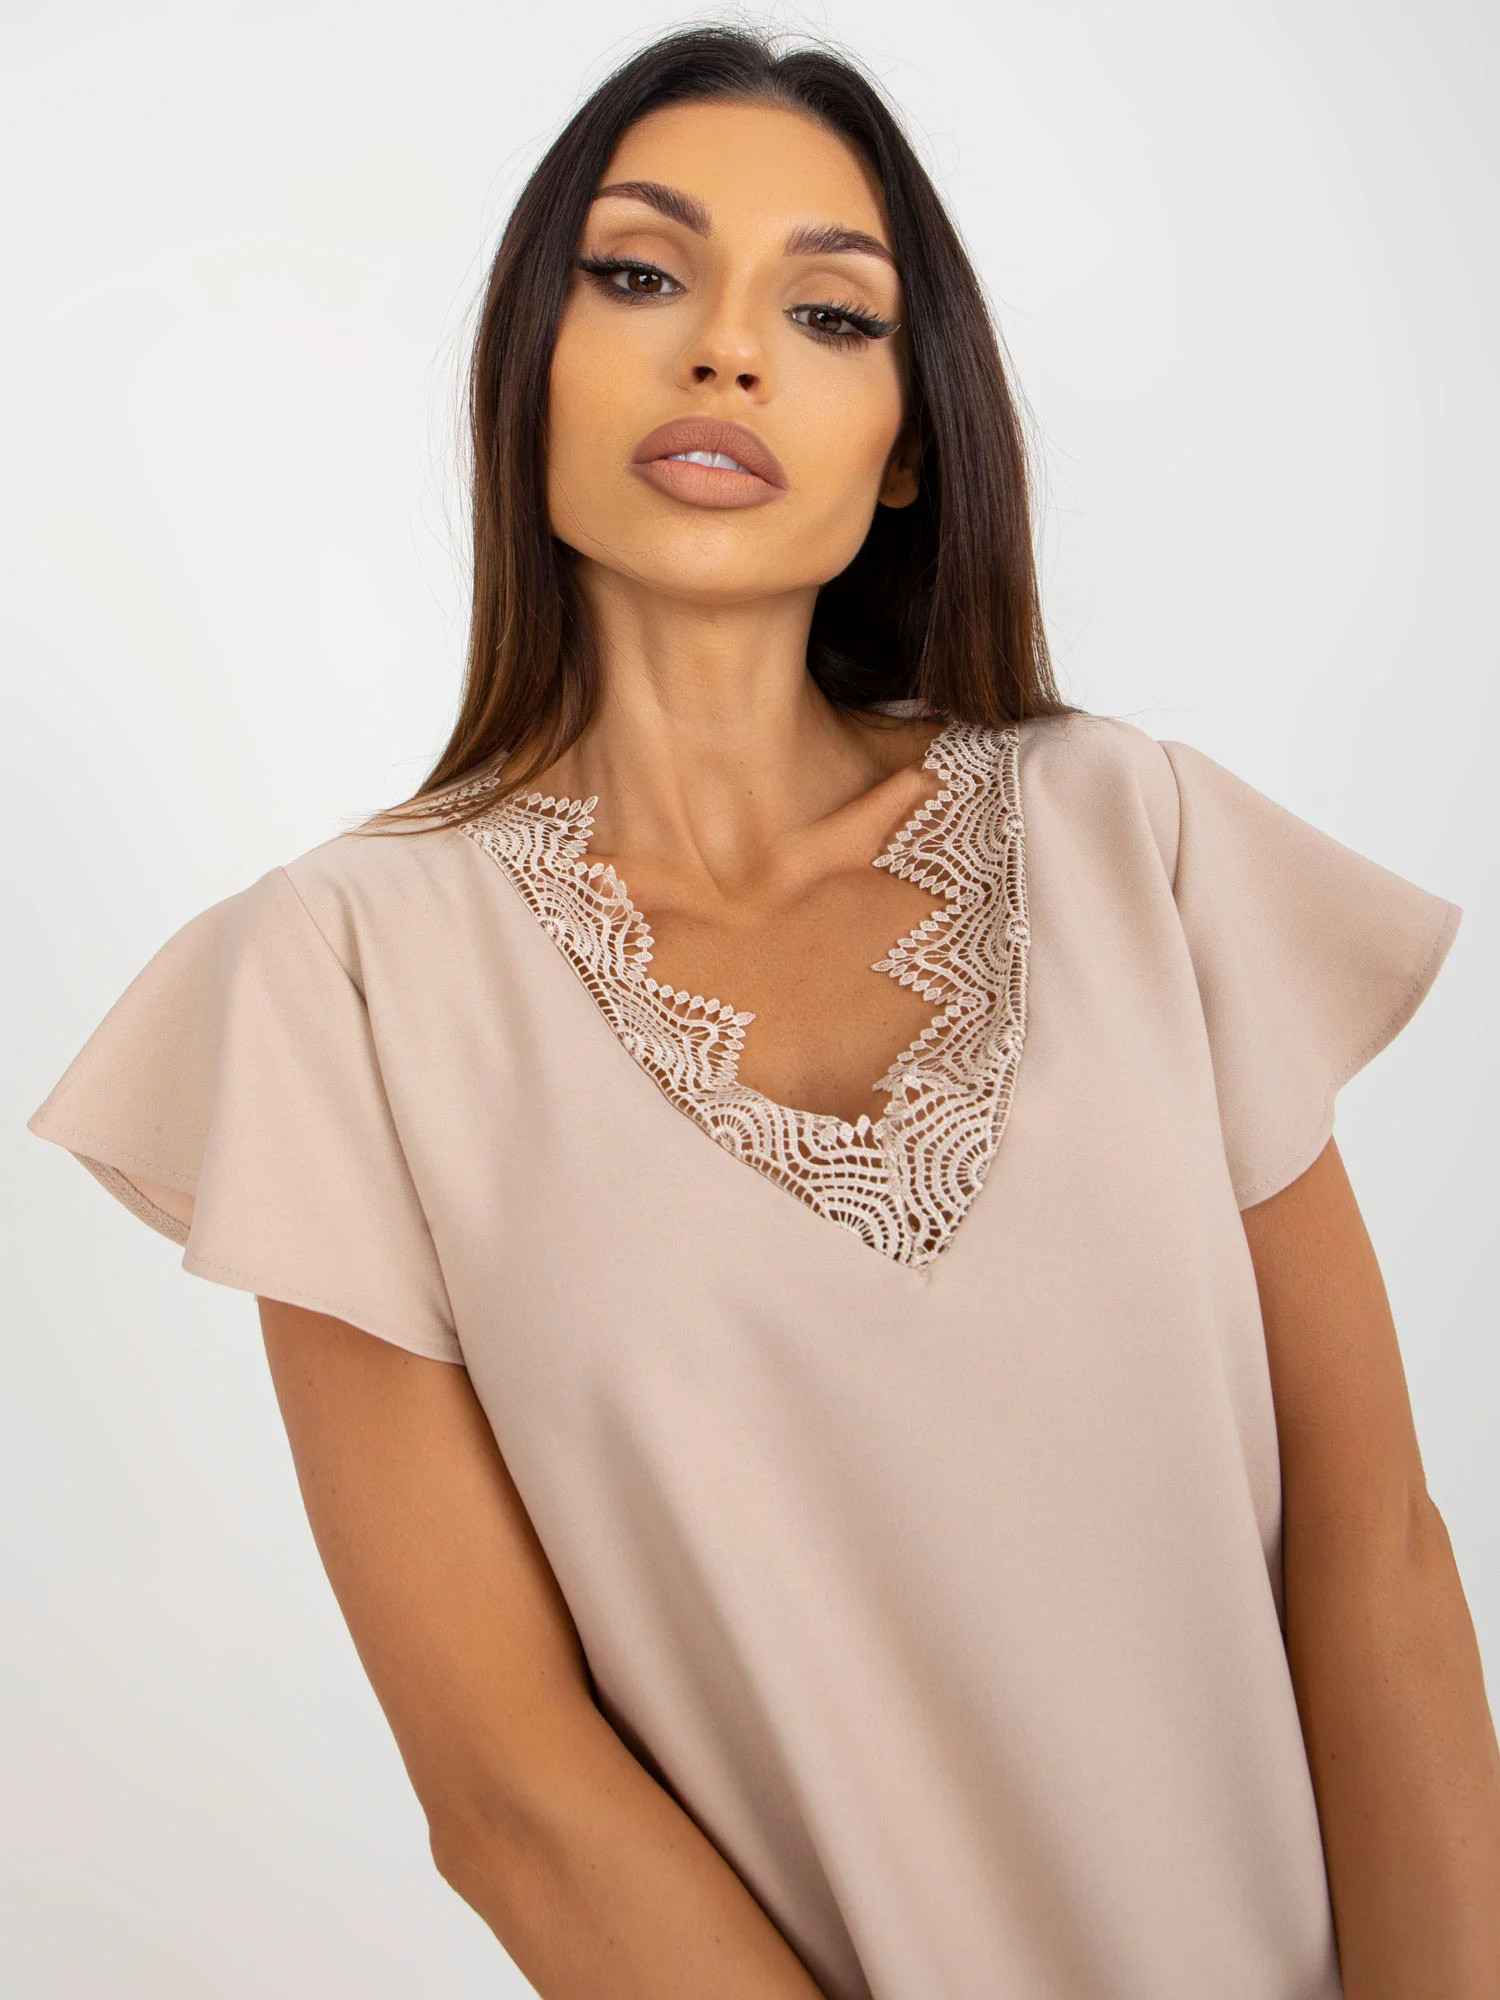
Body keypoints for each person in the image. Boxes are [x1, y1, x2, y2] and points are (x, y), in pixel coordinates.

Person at [26, 23, 1500, 2000]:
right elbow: (515, 1796)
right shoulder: (345, 975)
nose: (726, 351)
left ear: (908, 444)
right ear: (529, 367)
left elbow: (1375, 1555)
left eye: (828, 312)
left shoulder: (1134, 836)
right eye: (640, 275)